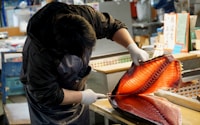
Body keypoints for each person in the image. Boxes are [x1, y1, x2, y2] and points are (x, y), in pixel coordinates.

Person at [20, 1, 149, 125]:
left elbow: (113, 26)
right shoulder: (39, 54)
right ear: (65, 50)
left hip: (74, 90)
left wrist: (132, 47)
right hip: (48, 109)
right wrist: (82, 96)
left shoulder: (85, 16)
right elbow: (48, 95)